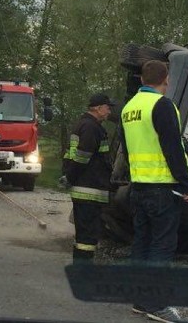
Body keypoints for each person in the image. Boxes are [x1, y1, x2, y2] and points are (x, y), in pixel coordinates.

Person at [121, 59, 188, 323]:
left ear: (142, 80)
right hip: (162, 188)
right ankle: (156, 304)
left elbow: (128, 149)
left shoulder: (128, 108)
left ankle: (141, 299)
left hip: (139, 186)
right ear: (167, 79)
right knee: (162, 247)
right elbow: (173, 149)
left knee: (142, 243)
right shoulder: (163, 105)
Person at [63, 91, 115, 261]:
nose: (109, 112)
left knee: (84, 234)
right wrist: (70, 177)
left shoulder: (83, 125)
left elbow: (70, 156)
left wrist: (68, 176)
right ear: (98, 108)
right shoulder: (91, 128)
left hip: (84, 188)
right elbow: (82, 157)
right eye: (107, 108)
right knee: (88, 235)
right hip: (90, 189)